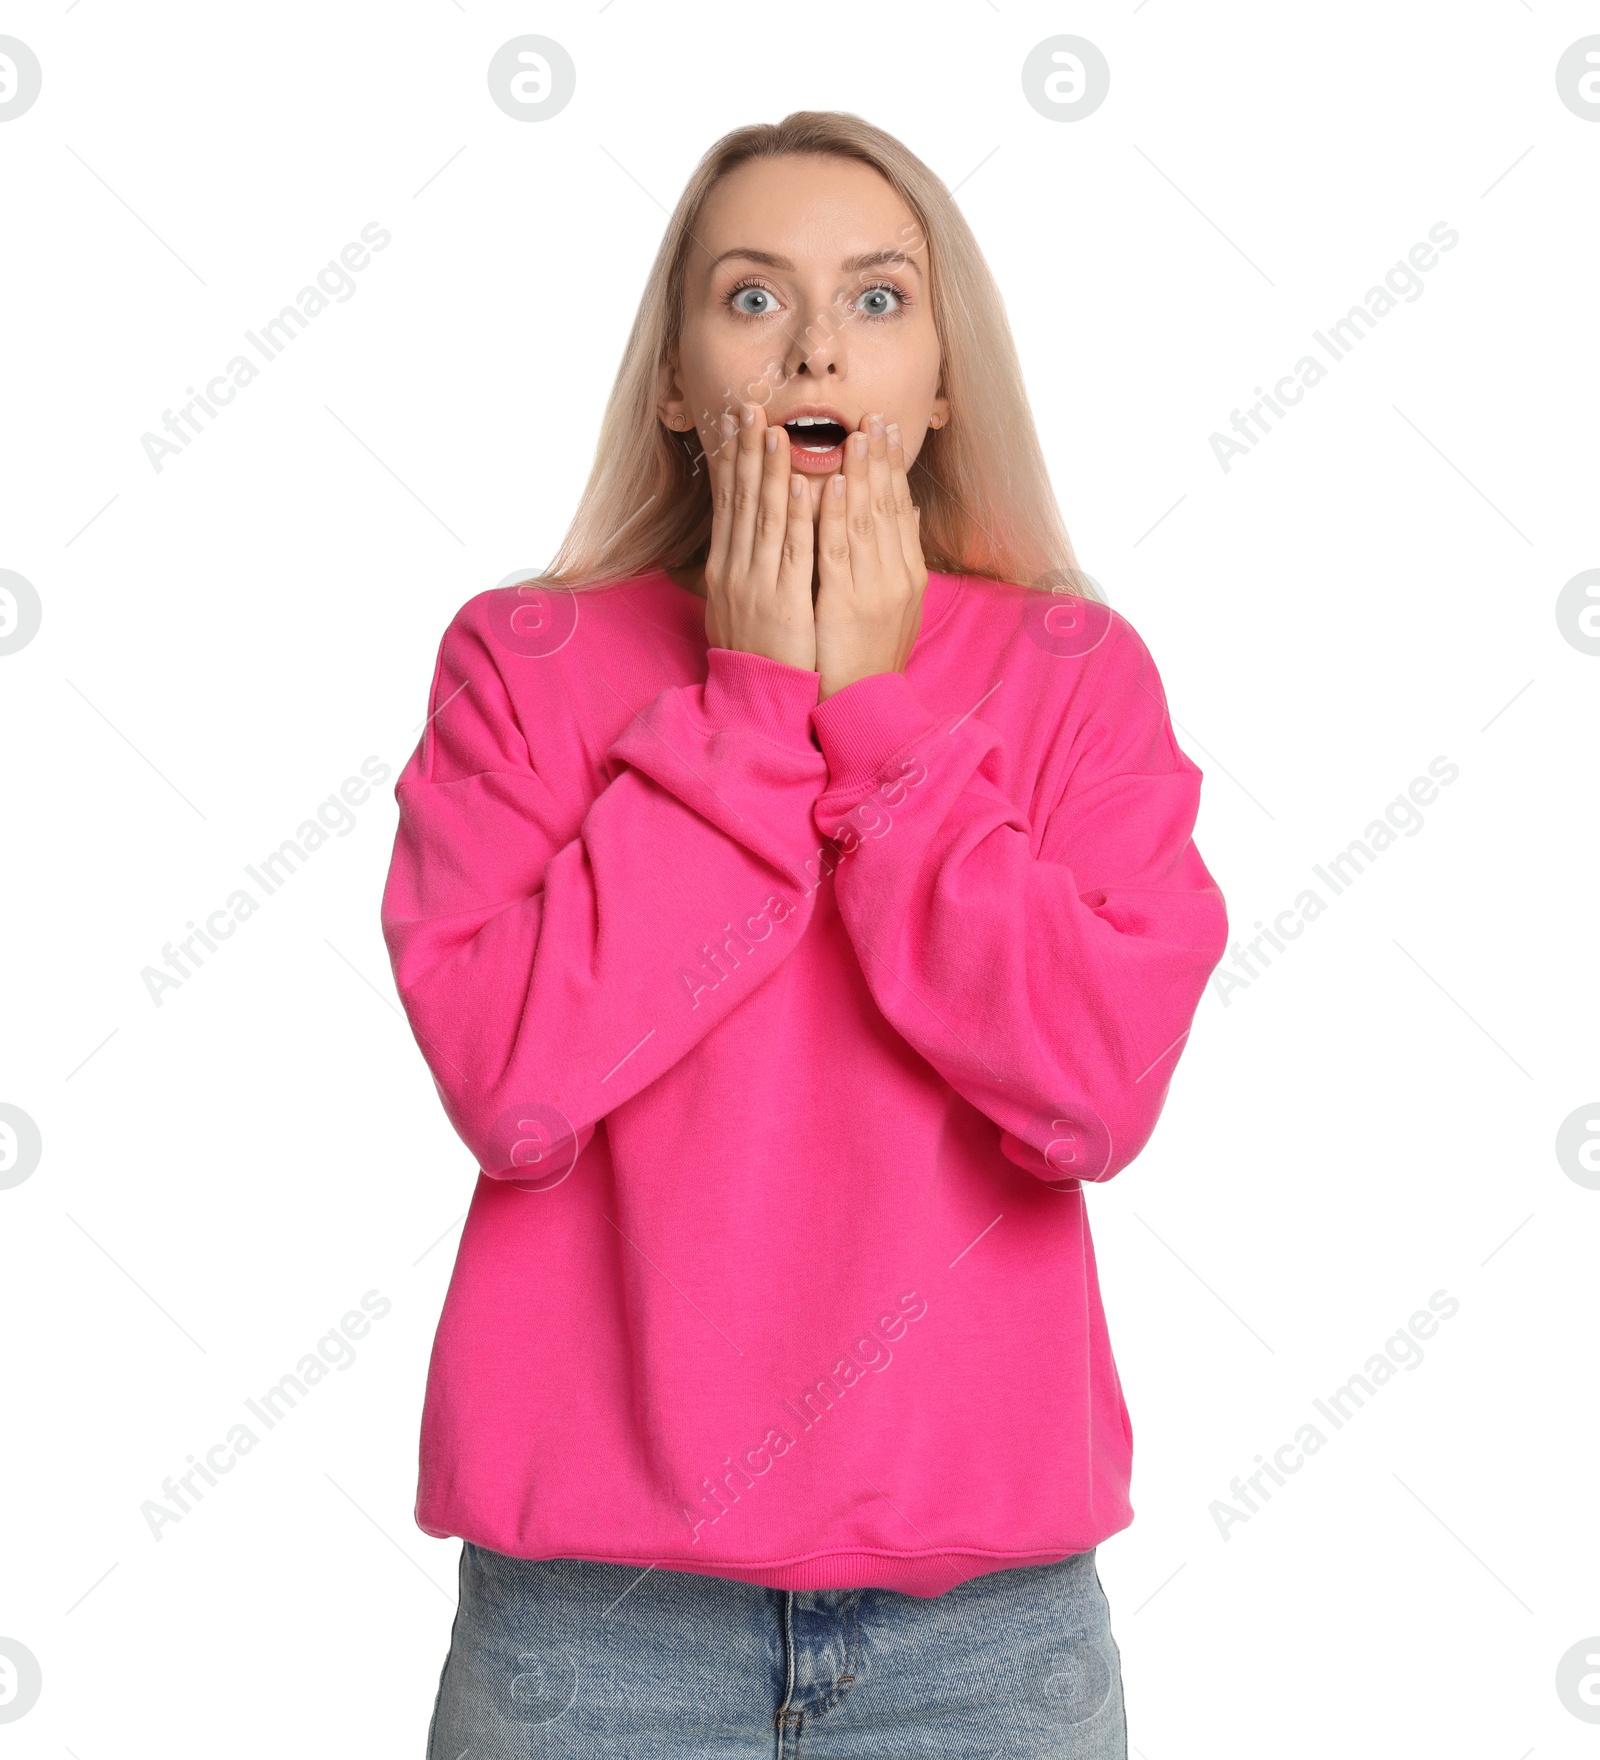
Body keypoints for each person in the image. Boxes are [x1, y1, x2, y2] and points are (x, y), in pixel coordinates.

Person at [380, 108, 1228, 1760]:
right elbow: (514, 1083)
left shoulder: (1075, 677)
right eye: (753, 297)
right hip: (594, 1627)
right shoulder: (522, 662)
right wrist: (751, 711)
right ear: (680, 383)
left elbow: (1089, 1098)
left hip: (985, 1636)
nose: (818, 340)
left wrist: (889, 726)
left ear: (940, 382)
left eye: (880, 299)